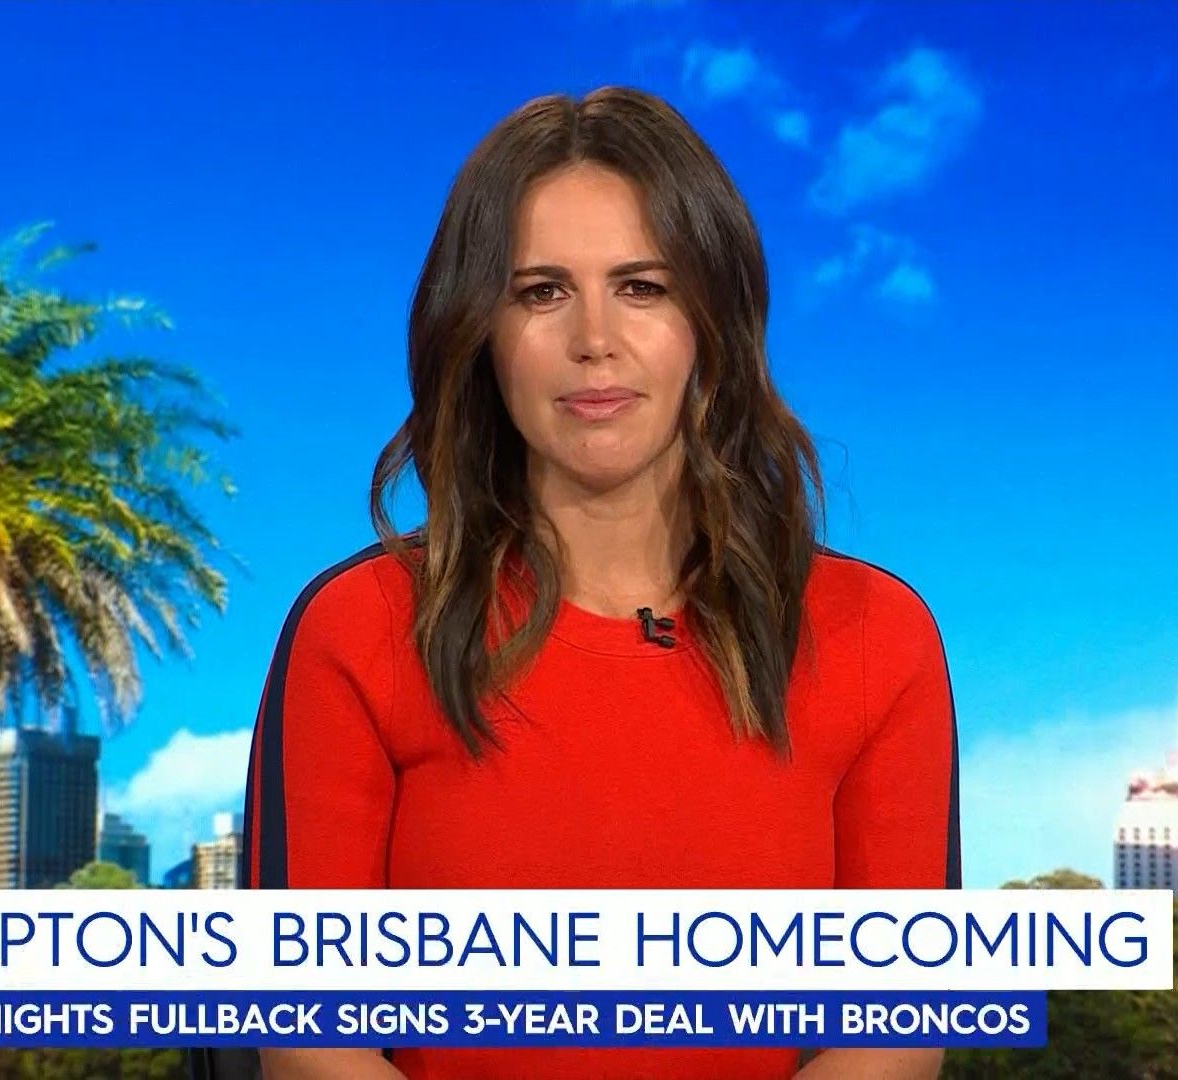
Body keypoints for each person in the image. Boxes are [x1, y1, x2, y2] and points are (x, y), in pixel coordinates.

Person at [241, 86, 959, 1080]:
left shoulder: (875, 634)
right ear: (479, 332)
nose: (594, 339)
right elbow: (309, 1042)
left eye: (642, 287)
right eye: (541, 292)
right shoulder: (359, 627)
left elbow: (895, 1035)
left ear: (713, 320)